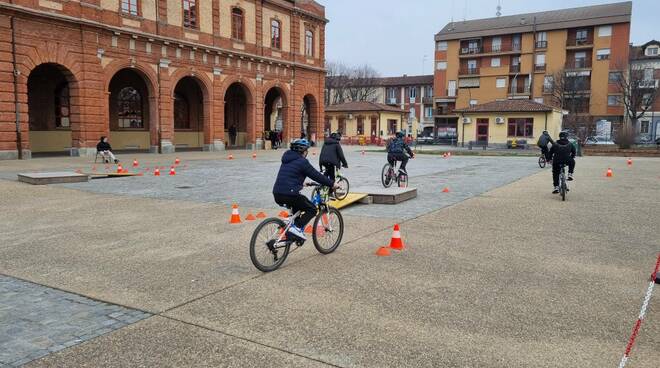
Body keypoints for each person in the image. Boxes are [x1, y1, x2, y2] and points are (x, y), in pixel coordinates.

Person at [272, 139, 337, 241]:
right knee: (312, 209)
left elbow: (289, 177)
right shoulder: (302, 162)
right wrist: (332, 183)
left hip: (277, 193)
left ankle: (291, 234)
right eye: (307, 150)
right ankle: (297, 229)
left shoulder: (286, 160)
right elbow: (316, 175)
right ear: (303, 151)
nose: (307, 153)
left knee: (297, 210)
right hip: (290, 194)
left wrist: (301, 183)